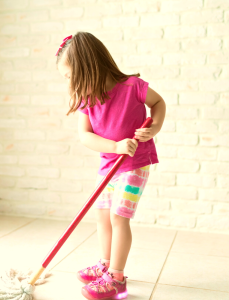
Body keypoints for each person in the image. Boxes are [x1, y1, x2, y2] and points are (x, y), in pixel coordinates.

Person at [55, 32, 166, 300]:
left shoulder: (132, 87)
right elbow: (85, 136)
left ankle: (117, 279)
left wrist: (155, 128)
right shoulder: (87, 98)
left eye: (71, 76)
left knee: (119, 217)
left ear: (89, 68)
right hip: (108, 167)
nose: (69, 84)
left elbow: (158, 103)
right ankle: (105, 265)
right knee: (102, 217)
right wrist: (115, 147)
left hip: (134, 165)